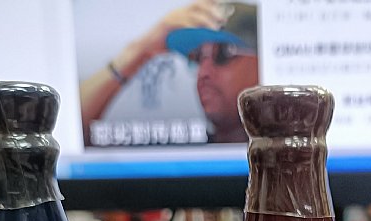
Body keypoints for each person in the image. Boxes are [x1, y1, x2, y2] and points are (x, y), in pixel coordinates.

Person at [79, 1, 258, 144]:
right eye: (197, 58)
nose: (203, 72)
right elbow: (72, 132)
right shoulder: (184, 154)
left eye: (223, 53)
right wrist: (138, 51)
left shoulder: (272, 160)